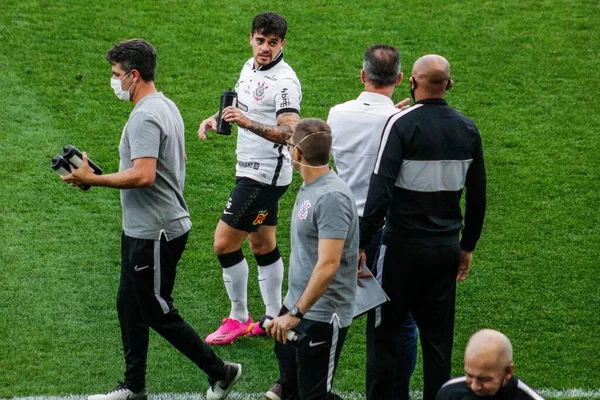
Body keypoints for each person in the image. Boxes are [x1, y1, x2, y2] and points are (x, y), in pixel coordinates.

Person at [61, 39, 240, 400]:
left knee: (156, 310)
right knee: (128, 305)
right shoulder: (165, 104)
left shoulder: (144, 115)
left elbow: (144, 175)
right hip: (144, 228)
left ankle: (222, 372)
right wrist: (99, 174)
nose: (113, 81)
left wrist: (92, 179)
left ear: (134, 75)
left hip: (156, 232)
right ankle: (133, 387)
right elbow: (174, 159)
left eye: (116, 74)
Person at [360, 54, 487, 400]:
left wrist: (360, 241)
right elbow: (477, 197)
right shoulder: (467, 128)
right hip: (445, 250)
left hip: (400, 249)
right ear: (448, 85)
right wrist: (467, 246)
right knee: (437, 345)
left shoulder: (400, 124)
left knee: (384, 338)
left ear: (412, 82)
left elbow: (380, 189)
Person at [197, 12, 302, 345]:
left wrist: (246, 123)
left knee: (224, 243)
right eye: (260, 41)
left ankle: (239, 317)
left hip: (263, 177)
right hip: (253, 171)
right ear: (251, 39)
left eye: (272, 43)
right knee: (262, 243)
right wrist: (216, 118)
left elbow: (290, 131)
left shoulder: (285, 82)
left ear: (282, 44)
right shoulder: (250, 67)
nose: (265, 48)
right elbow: (242, 107)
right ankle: (272, 316)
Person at [327, 43, 418, 400]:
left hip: (344, 228)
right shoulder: (402, 122)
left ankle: (312, 385)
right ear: (399, 78)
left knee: (332, 312)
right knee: (397, 322)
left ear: (363, 75)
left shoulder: (337, 114)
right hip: (387, 229)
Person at [264, 118, 358, 399]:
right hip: (297, 305)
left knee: (315, 395)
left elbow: (329, 265)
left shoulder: (331, 197)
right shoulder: (312, 186)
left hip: (321, 315)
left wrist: (295, 314)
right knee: (292, 387)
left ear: (296, 154)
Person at [436, 329, 545, 399]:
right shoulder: (449, 393)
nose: (475, 386)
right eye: (469, 375)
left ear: (508, 371)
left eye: (484, 379)